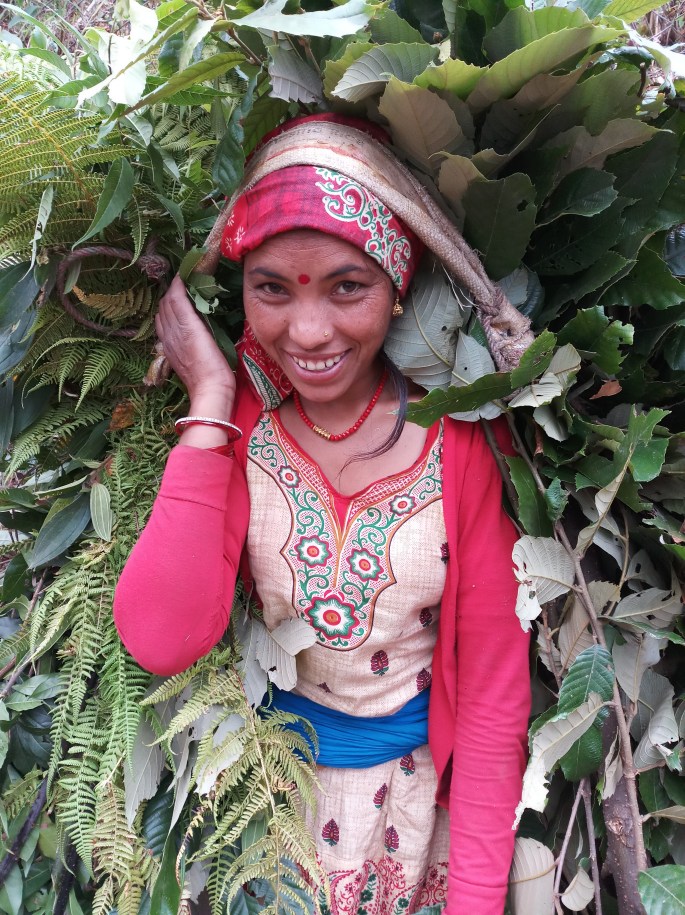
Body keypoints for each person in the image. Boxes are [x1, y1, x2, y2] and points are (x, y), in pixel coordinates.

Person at [114, 114, 531, 915]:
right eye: (272, 287)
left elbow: (490, 694)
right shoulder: (240, 420)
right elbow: (161, 637)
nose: (307, 332)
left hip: (416, 819)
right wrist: (209, 398)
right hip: (264, 809)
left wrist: (476, 900)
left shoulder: (463, 439)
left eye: (347, 286)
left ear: (398, 284)